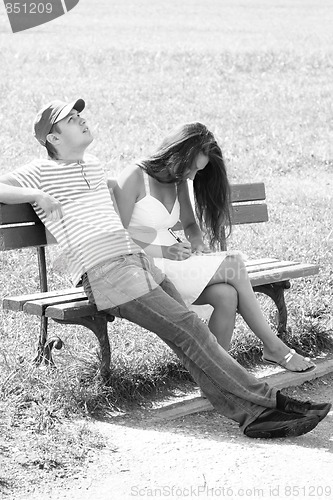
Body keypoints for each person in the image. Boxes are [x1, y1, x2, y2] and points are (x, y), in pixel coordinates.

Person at [0, 99, 330, 440]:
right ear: (53, 139)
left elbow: (122, 221)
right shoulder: (41, 171)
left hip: (135, 261)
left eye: (80, 114)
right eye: (71, 119)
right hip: (104, 271)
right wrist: (35, 193)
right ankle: (273, 402)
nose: (82, 120)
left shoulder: (93, 165)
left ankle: (252, 415)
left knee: (186, 338)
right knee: (190, 329)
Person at [113, 122, 315, 373]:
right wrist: (164, 251)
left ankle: (217, 374)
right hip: (146, 265)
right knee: (233, 265)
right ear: (177, 153)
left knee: (226, 296)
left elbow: (189, 224)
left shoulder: (177, 181)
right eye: (191, 168)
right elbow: (118, 238)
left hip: (177, 260)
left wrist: (198, 242)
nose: (191, 177)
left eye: (197, 172)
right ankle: (274, 347)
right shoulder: (135, 176)